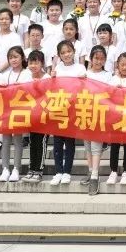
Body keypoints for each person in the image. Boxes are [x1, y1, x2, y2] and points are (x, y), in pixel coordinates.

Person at [50, 40, 85, 185]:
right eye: (63, 53)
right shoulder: (57, 68)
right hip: (58, 108)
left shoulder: (80, 68)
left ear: (74, 52)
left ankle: (67, 172)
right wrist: (52, 77)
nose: (66, 54)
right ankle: (58, 171)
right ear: (59, 55)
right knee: (57, 142)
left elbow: (83, 87)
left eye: (69, 51)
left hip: (72, 109)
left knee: (70, 142)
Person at [0, 46, 30, 182]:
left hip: (20, 110)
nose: (13, 60)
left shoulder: (27, 73)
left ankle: (16, 168)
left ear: (22, 58)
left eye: (16, 57)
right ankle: (5, 168)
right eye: (11, 57)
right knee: (6, 140)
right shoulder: (5, 74)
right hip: (6, 110)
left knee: (18, 140)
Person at [84, 45, 112, 192]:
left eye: (102, 59)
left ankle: (95, 175)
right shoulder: (84, 74)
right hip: (84, 111)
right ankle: (90, 171)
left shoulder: (108, 76)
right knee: (87, 145)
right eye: (96, 58)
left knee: (96, 145)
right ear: (91, 59)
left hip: (100, 112)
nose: (98, 61)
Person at [106, 53, 126, 185]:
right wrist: (114, 90)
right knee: (115, 145)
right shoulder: (112, 79)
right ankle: (113, 171)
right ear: (117, 65)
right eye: (122, 64)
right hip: (116, 117)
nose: (125, 67)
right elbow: (106, 95)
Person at [23, 50, 48, 182]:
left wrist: (40, 86)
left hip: (44, 116)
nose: (33, 66)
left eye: (36, 63)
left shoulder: (47, 77)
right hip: (31, 115)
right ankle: (31, 169)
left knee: (41, 142)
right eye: (30, 63)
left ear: (42, 63)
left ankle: (39, 170)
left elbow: (50, 95)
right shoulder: (26, 76)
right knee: (32, 142)